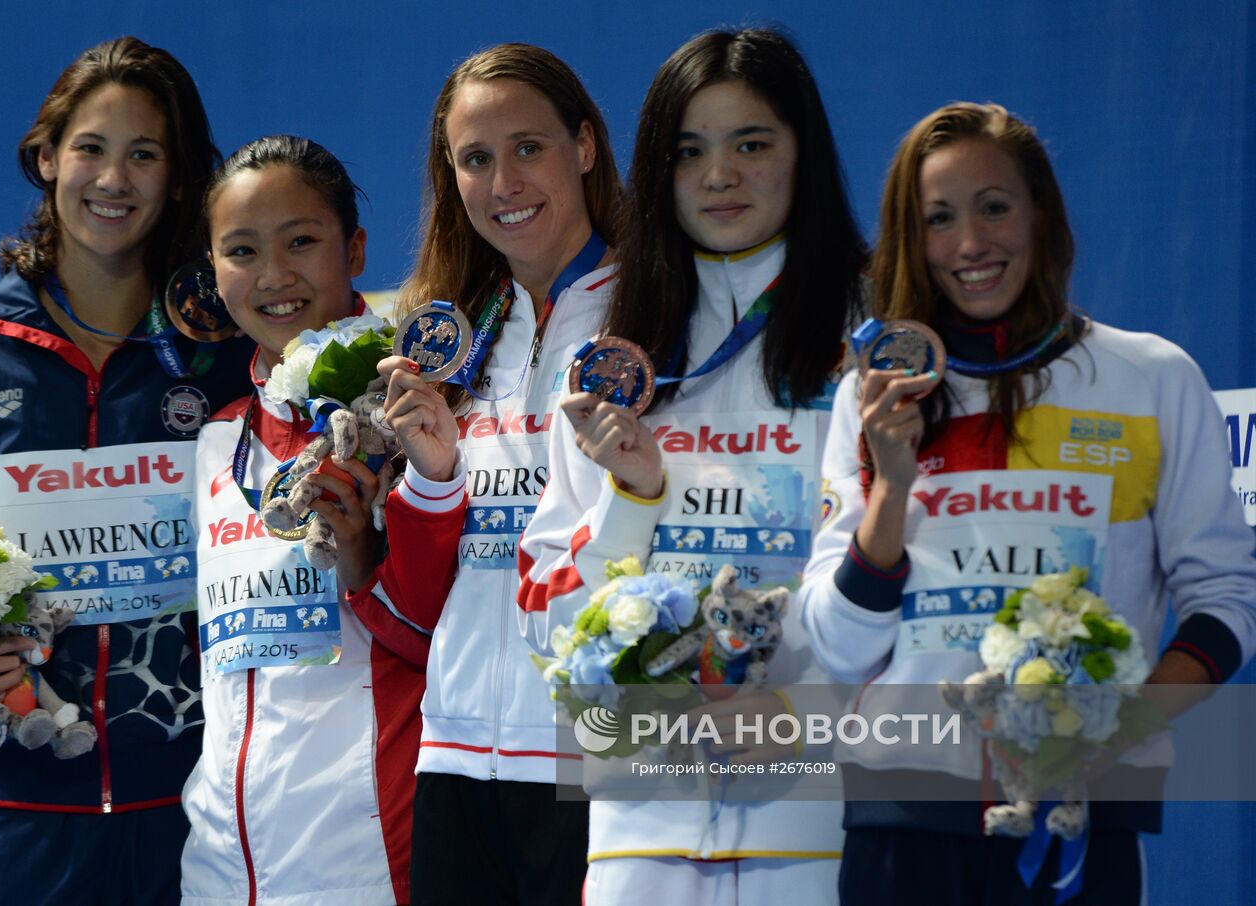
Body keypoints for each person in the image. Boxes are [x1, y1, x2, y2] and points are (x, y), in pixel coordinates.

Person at [798, 102, 1256, 904]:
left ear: (1041, 213)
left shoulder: (1150, 378)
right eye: (939, 218)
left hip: (1080, 818)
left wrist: (1123, 729)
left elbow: (1227, 600)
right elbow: (840, 648)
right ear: (911, 237)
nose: (971, 243)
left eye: (994, 207)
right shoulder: (872, 400)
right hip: (903, 823)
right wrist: (892, 484)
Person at [0, 37, 254, 904]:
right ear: (45, 158)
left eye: (144, 154)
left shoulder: (228, 353)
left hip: (198, 813)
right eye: (90, 149)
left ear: (178, 178)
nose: (113, 179)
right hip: (13, 814)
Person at [516, 27, 867, 904]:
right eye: (689, 151)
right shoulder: (608, 363)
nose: (719, 176)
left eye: (752, 144)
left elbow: (907, 585)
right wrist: (633, 498)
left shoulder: (872, 342)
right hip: (641, 831)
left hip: (820, 823)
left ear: (804, 154)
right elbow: (549, 620)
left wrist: (799, 717)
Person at [361, 42, 621, 904]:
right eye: (475, 159)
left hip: (598, 753)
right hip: (457, 756)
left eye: (528, 148)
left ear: (584, 146)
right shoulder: (451, 341)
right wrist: (433, 479)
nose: (504, 182)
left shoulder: (656, 317)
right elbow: (419, 604)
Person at [179, 134, 466, 905]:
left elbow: (448, 637)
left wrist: (369, 549)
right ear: (213, 270)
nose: (274, 275)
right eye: (242, 250)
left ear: (356, 249)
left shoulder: (417, 419)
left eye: (301, 241)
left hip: (370, 863)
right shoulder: (218, 443)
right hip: (219, 873)